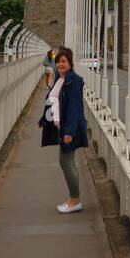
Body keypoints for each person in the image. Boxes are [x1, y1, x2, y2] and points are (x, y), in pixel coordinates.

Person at [38, 47, 88, 214]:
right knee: (67, 161)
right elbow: (52, 100)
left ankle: (75, 200)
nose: (60, 64)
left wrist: (69, 132)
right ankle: (73, 199)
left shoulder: (75, 81)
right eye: (58, 61)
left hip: (69, 128)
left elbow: (74, 108)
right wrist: (44, 119)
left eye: (64, 61)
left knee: (66, 161)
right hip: (62, 127)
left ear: (70, 63)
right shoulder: (60, 78)